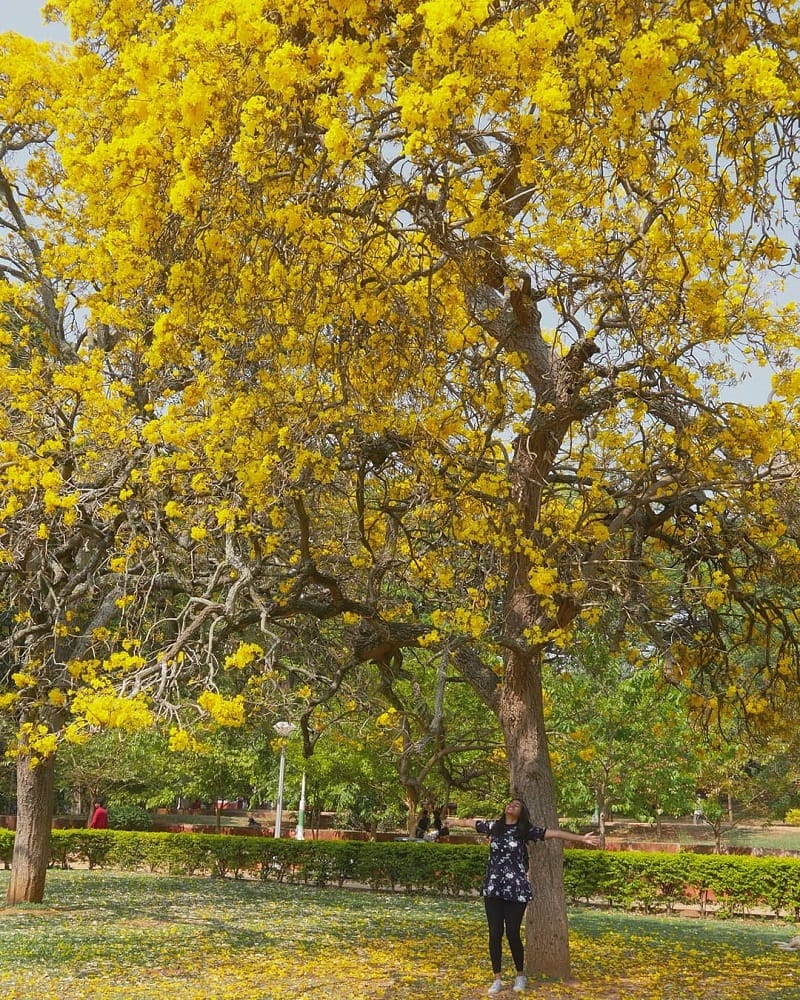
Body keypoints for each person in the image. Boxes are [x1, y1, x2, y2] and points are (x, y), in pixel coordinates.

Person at [476, 797, 600, 995]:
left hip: (516, 889)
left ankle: (520, 975)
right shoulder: (493, 827)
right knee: (494, 933)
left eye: (517, 805)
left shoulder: (524, 830)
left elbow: (554, 834)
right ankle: (497, 978)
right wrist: (448, 822)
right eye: (510, 803)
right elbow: (468, 822)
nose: (512, 805)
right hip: (493, 888)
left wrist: (581, 838)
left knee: (513, 933)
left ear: (521, 813)